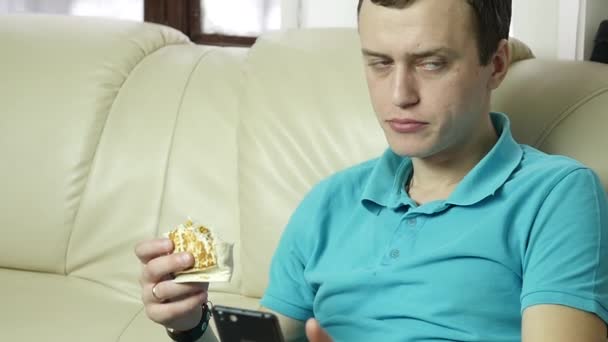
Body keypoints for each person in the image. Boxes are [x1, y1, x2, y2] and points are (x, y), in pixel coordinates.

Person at [135, 0, 608, 341]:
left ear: (496, 64)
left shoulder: (557, 195)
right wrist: (189, 324)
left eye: (431, 63)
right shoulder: (329, 201)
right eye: (380, 64)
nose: (400, 94)